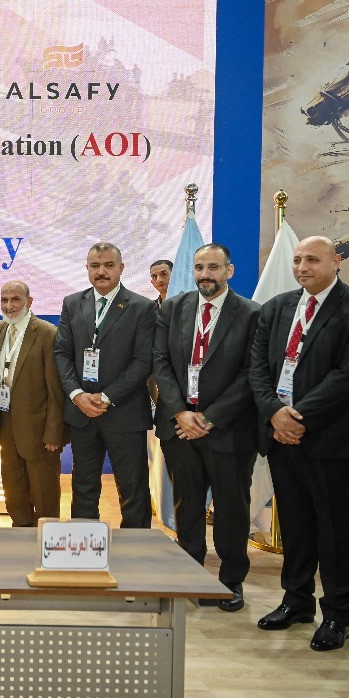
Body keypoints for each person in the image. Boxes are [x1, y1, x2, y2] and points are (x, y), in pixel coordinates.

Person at [249, 236, 349, 651]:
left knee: (337, 530)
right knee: (296, 524)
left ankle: (339, 614)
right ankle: (297, 600)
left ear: (336, 261)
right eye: (297, 260)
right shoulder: (276, 307)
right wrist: (274, 412)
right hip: (282, 436)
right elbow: (258, 366)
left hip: (331, 440)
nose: (302, 267)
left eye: (312, 259)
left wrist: (296, 416)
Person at [152, 243, 260, 611]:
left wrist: (210, 418)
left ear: (229, 270)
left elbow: (251, 373)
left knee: (231, 508)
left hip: (228, 430)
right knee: (187, 505)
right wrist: (180, 413)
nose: (205, 275)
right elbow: (160, 362)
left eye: (213, 267)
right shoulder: (173, 308)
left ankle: (231, 581)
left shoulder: (251, 313)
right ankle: (190, 573)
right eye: (199, 267)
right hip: (180, 428)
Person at [53, 242, 157, 528]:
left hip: (125, 412)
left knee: (133, 488)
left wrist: (107, 396)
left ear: (121, 268)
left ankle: (134, 547)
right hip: (82, 412)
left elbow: (143, 362)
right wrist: (77, 395)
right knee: (83, 486)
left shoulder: (142, 307)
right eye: (95, 265)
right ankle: (84, 545)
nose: (101, 271)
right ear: (87, 268)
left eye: (108, 265)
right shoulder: (72, 303)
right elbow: (62, 353)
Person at [0, 280, 66, 527]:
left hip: (39, 427)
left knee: (44, 490)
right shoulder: (0, 329)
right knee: (13, 486)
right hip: (7, 423)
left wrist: (54, 432)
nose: (9, 305)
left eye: (15, 299)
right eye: (4, 300)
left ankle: (47, 536)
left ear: (29, 301)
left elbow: (56, 389)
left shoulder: (47, 333)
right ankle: (20, 530)